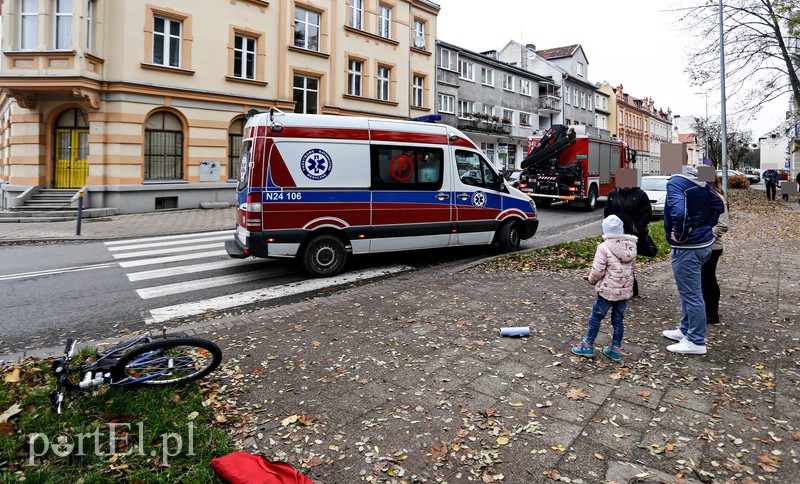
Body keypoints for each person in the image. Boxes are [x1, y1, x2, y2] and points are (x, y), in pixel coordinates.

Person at [662, 171, 725, 355]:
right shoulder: (698, 181)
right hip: (702, 245)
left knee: (692, 295)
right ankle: (685, 329)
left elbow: (679, 214)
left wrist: (681, 235)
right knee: (688, 292)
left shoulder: (676, 182)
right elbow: (718, 204)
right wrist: (704, 227)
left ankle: (696, 340)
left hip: (688, 248)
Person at [572, 215, 638, 361]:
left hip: (607, 291)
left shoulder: (603, 247)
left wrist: (591, 280)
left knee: (596, 317)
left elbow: (598, 271)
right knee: (618, 320)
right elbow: (632, 268)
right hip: (624, 291)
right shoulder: (631, 246)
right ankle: (615, 349)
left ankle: (588, 345)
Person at [604, 183, 653, 296]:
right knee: (614, 261)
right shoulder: (613, 194)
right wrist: (610, 226)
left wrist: (637, 227)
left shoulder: (640, 194)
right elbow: (607, 211)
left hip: (631, 236)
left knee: (627, 261)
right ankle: (618, 286)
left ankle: (631, 288)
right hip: (615, 235)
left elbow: (647, 213)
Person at [701, 176, 730, 325]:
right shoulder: (705, 196)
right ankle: (707, 311)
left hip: (712, 246)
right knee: (704, 278)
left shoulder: (718, 198)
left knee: (708, 278)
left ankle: (712, 313)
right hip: (704, 245)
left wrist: (705, 234)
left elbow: (723, 225)